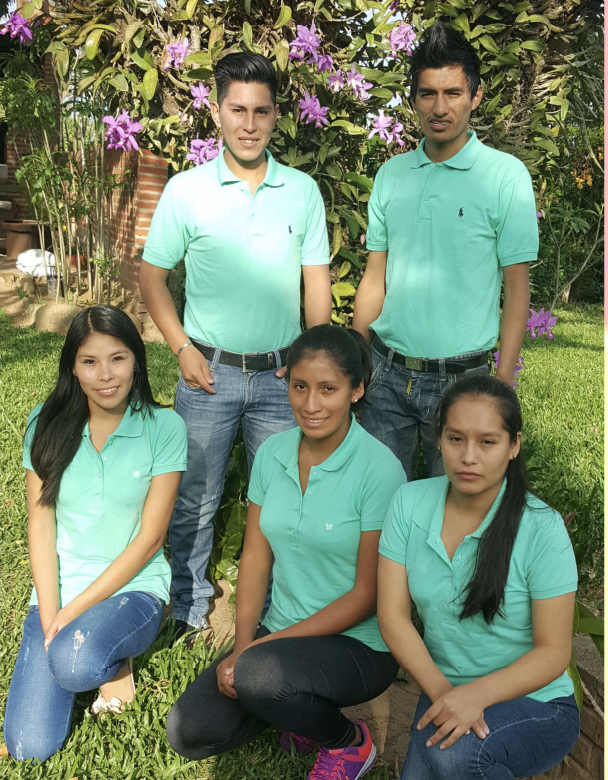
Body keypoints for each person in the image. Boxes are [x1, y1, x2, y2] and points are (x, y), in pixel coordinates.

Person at [140, 52, 332, 638]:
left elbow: (316, 285)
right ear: (217, 113)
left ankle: (273, 615)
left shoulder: (301, 191)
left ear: (276, 116)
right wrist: (182, 348)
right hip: (209, 372)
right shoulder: (186, 190)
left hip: (280, 379)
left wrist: (309, 363)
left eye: (261, 112)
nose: (249, 124)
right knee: (194, 496)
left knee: (280, 503)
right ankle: (188, 606)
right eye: (237, 110)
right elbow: (152, 277)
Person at [166, 324, 407, 779]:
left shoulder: (380, 470)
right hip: (280, 632)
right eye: (300, 386)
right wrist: (243, 646)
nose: (311, 404)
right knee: (189, 731)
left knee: (258, 675)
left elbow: (367, 595)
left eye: (328, 389)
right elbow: (256, 558)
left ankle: (348, 742)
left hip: (361, 645)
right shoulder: (274, 452)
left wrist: (259, 653)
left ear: (356, 391)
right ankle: (294, 708)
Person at [352, 22, 537, 481]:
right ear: (413, 98)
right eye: (428, 94)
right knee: (378, 503)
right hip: (386, 375)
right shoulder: (391, 175)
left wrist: (502, 383)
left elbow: (517, 289)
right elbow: (375, 277)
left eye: (453, 93)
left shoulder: (505, 176)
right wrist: (355, 360)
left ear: (475, 96)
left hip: (464, 382)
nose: (439, 108)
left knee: (454, 507)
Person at [4, 306, 187, 763]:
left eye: (118, 358)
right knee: (29, 747)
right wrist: (51, 615)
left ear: (137, 360)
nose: (105, 375)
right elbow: (40, 524)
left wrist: (74, 612)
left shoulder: (164, 428)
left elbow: (150, 539)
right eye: (90, 361)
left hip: (133, 589)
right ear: (73, 366)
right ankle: (82, 648)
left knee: (74, 662)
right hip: (60, 589)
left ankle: (113, 662)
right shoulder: (44, 423)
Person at [377, 375, 579, 779]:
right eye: (456, 439)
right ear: (439, 439)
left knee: (457, 757)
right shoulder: (409, 503)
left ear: (513, 445)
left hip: (537, 703)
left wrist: (476, 697)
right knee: (450, 755)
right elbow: (393, 616)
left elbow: (554, 653)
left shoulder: (542, 528)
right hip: (444, 689)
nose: (468, 456)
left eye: (487, 442)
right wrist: (446, 696)